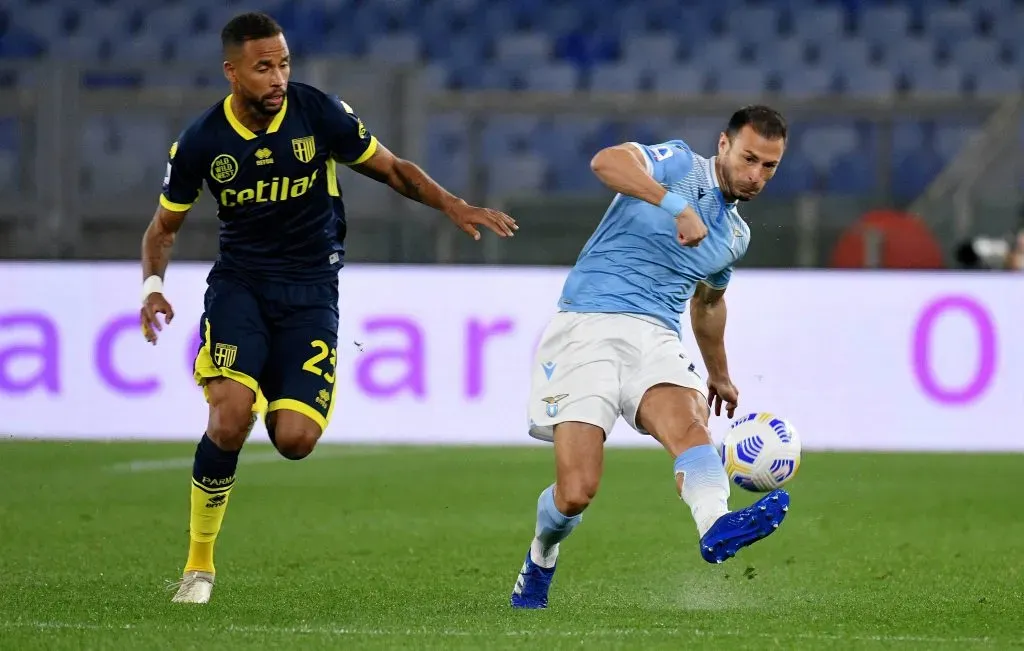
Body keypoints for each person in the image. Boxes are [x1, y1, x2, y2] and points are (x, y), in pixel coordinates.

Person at [138, 12, 517, 605]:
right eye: (264, 67)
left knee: (294, 439)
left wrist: (452, 204)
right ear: (232, 72)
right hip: (241, 286)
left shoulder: (318, 114)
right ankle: (198, 566)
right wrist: (152, 287)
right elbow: (162, 229)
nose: (278, 77)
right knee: (230, 416)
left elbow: (391, 169)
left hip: (313, 291)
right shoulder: (202, 143)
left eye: (284, 63)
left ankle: (259, 383)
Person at [510, 106, 788, 609]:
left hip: (656, 335)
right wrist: (675, 206)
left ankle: (715, 526)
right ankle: (541, 555)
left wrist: (719, 374)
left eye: (769, 167)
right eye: (749, 158)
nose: (756, 176)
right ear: (723, 145)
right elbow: (606, 163)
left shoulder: (735, 236)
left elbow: (707, 302)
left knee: (689, 424)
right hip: (586, 326)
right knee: (576, 491)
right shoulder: (678, 163)